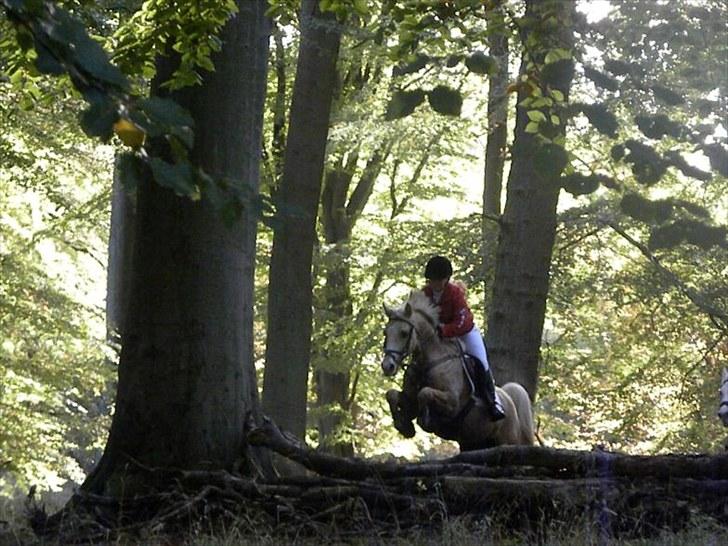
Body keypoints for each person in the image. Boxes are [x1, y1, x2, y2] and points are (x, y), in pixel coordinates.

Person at [422, 255, 506, 421]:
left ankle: (493, 402)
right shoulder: (425, 293)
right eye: (430, 280)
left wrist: (444, 330)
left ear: (445, 279)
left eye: (436, 280)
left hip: (464, 334)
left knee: (481, 362)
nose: (432, 284)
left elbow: (463, 321)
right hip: (440, 337)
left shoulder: (455, 294)